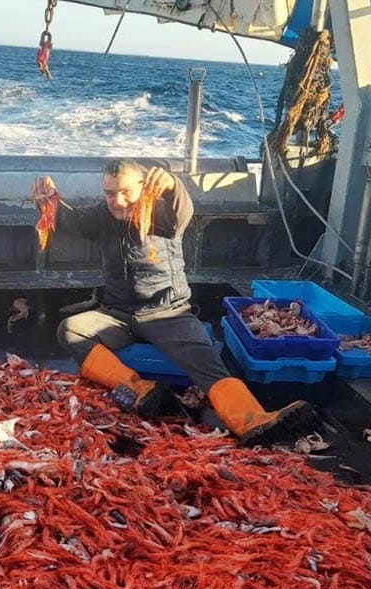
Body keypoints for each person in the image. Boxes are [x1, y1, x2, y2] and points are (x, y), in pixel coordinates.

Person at [31, 158, 318, 447]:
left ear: (143, 188)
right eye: (109, 193)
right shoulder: (102, 216)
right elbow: (68, 220)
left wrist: (171, 185)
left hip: (167, 313)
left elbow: (183, 210)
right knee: (70, 329)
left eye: (126, 192)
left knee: (205, 358)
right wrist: (48, 200)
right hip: (118, 313)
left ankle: (251, 418)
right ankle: (140, 388)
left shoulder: (162, 212)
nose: (117, 201)